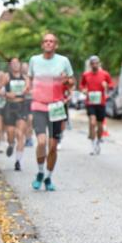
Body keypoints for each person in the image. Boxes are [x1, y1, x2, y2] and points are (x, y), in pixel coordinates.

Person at [27, 33, 74, 191]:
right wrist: (27, 90)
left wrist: (66, 80)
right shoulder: (34, 60)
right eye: (46, 41)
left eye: (51, 41)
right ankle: (40, 172)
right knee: (41, 142)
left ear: (56, 45)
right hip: (38, 105)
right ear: (42, 45)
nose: (48, 43)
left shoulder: (63, 61)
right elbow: (29, 79)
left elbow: (72, 81)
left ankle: (48, 177)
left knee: (53, 146)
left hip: (56, 107)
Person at [0, 58, 30, 171]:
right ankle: (11, 144)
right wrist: (6, 93)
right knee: (10, 133)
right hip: (9, 107)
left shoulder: (26, 78)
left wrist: (28, 91)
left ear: (20, 65)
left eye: (17, 63)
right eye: (13, 64)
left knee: (20, 134)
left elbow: (30, 90)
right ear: (10, 66)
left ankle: (18, 161)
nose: (16, 65)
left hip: (21, 107)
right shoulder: (6, 77)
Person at [79, 55, 114, 155]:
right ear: (90, 65)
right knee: (92, 122)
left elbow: (111, 85)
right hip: (90, 102)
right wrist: (84, 90)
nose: (94, 65)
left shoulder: (105, 74)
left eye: (96, 63)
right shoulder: (86, 75)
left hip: (101, 102)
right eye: (92, 63)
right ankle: (93, 144)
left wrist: (107, 85)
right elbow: (81, 85)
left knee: (99, 125)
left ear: (99, 63)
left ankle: (98, 141)